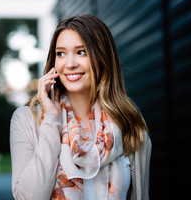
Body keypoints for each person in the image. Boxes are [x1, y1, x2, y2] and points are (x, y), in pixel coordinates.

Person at [9, 14, 151, 200]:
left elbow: (140, 196)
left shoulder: (129, 121)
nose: (70, 64)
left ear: (103, 58)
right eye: (61, 53)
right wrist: (51, 120)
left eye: (81, 52)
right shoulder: (27, 119)